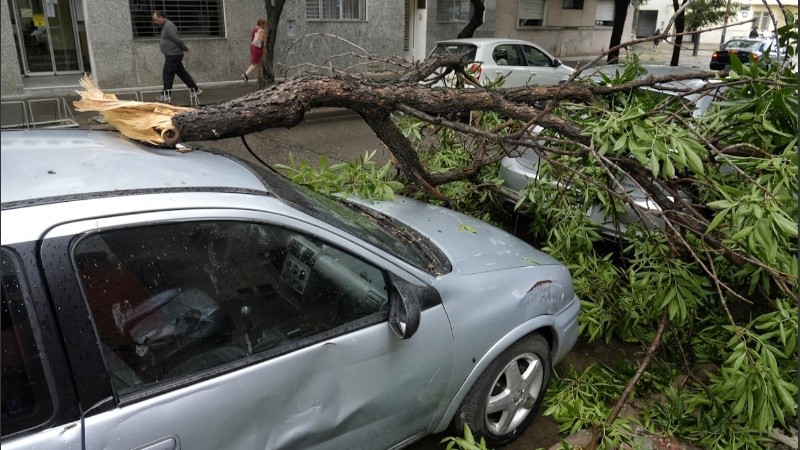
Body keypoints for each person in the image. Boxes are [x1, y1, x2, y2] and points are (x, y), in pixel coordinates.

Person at [152, 10, 201, 102]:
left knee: (167, 73)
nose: (155, 22)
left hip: (173, 55)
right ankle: (195, 89)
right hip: (174, 54)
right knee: (182, 73)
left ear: (161, 17)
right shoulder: (166, 26)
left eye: (156, 20)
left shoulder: (169, 26)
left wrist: (185, 48)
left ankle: (166, 95)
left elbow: (177, 39)